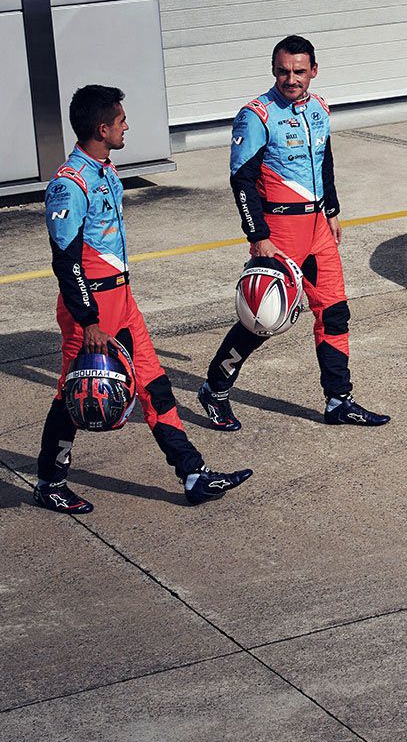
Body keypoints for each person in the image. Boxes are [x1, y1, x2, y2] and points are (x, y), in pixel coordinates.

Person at [36, 85, 253, 513]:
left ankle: (192, 473)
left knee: (155, 385)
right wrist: (88, 321)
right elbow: (66, 261)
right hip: (92, 311)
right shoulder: (70, 185)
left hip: (123, 302)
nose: (126, 125)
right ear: (102, 128)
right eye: (120, 120)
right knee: (74, 395)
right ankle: (50, 481)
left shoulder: (105, 170)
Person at [198, 35, 389, 429]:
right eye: (284, 71)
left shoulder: (319, 107)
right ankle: (214, 389)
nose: (291, 79)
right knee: (262, 320)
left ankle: (339, 400)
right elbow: (242, 180)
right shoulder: (256, 115)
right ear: (274, 70)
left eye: (299, 71)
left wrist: (332, 210)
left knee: (334, 313)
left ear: (313, 71)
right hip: (279, 233)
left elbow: (325, 160)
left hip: (318, 228)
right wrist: (257, 235)